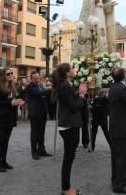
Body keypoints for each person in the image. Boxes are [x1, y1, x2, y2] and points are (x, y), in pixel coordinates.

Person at [53, 63, 87, 195]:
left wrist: (79, 92)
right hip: (69, 126)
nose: (74, 70)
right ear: (67, 73)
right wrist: (82, 95)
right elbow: (74, 106)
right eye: (72, 69)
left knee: (69, 157)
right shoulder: (64, 87)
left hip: (70, 125)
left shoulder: (66, 86)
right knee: (68, 158)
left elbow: (71, 101)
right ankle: (66, 189)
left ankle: (66, 188)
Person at [0, 68, 25, 172]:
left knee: (6, 141)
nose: (11, 75)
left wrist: (17, 101)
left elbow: (12, 99)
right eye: (8, 74)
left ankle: (4, 161)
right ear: (3, 75)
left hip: (10, 117)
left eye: (11, 73)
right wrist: (11, 103)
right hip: (1, 117)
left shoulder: (12, 86)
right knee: (1, 140)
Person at [26, 71, 52, 160]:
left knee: (41, 133)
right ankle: (34, 152)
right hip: (35, 113)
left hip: (42, 113)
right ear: (31, 79)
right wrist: (51, 89)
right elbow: (39, 93)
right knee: (34, 134)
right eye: (35, 78)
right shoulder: (30, 87)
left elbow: (44, 95)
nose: (37, 80)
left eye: (38, 78)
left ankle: (41, 150)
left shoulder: (40, 85)